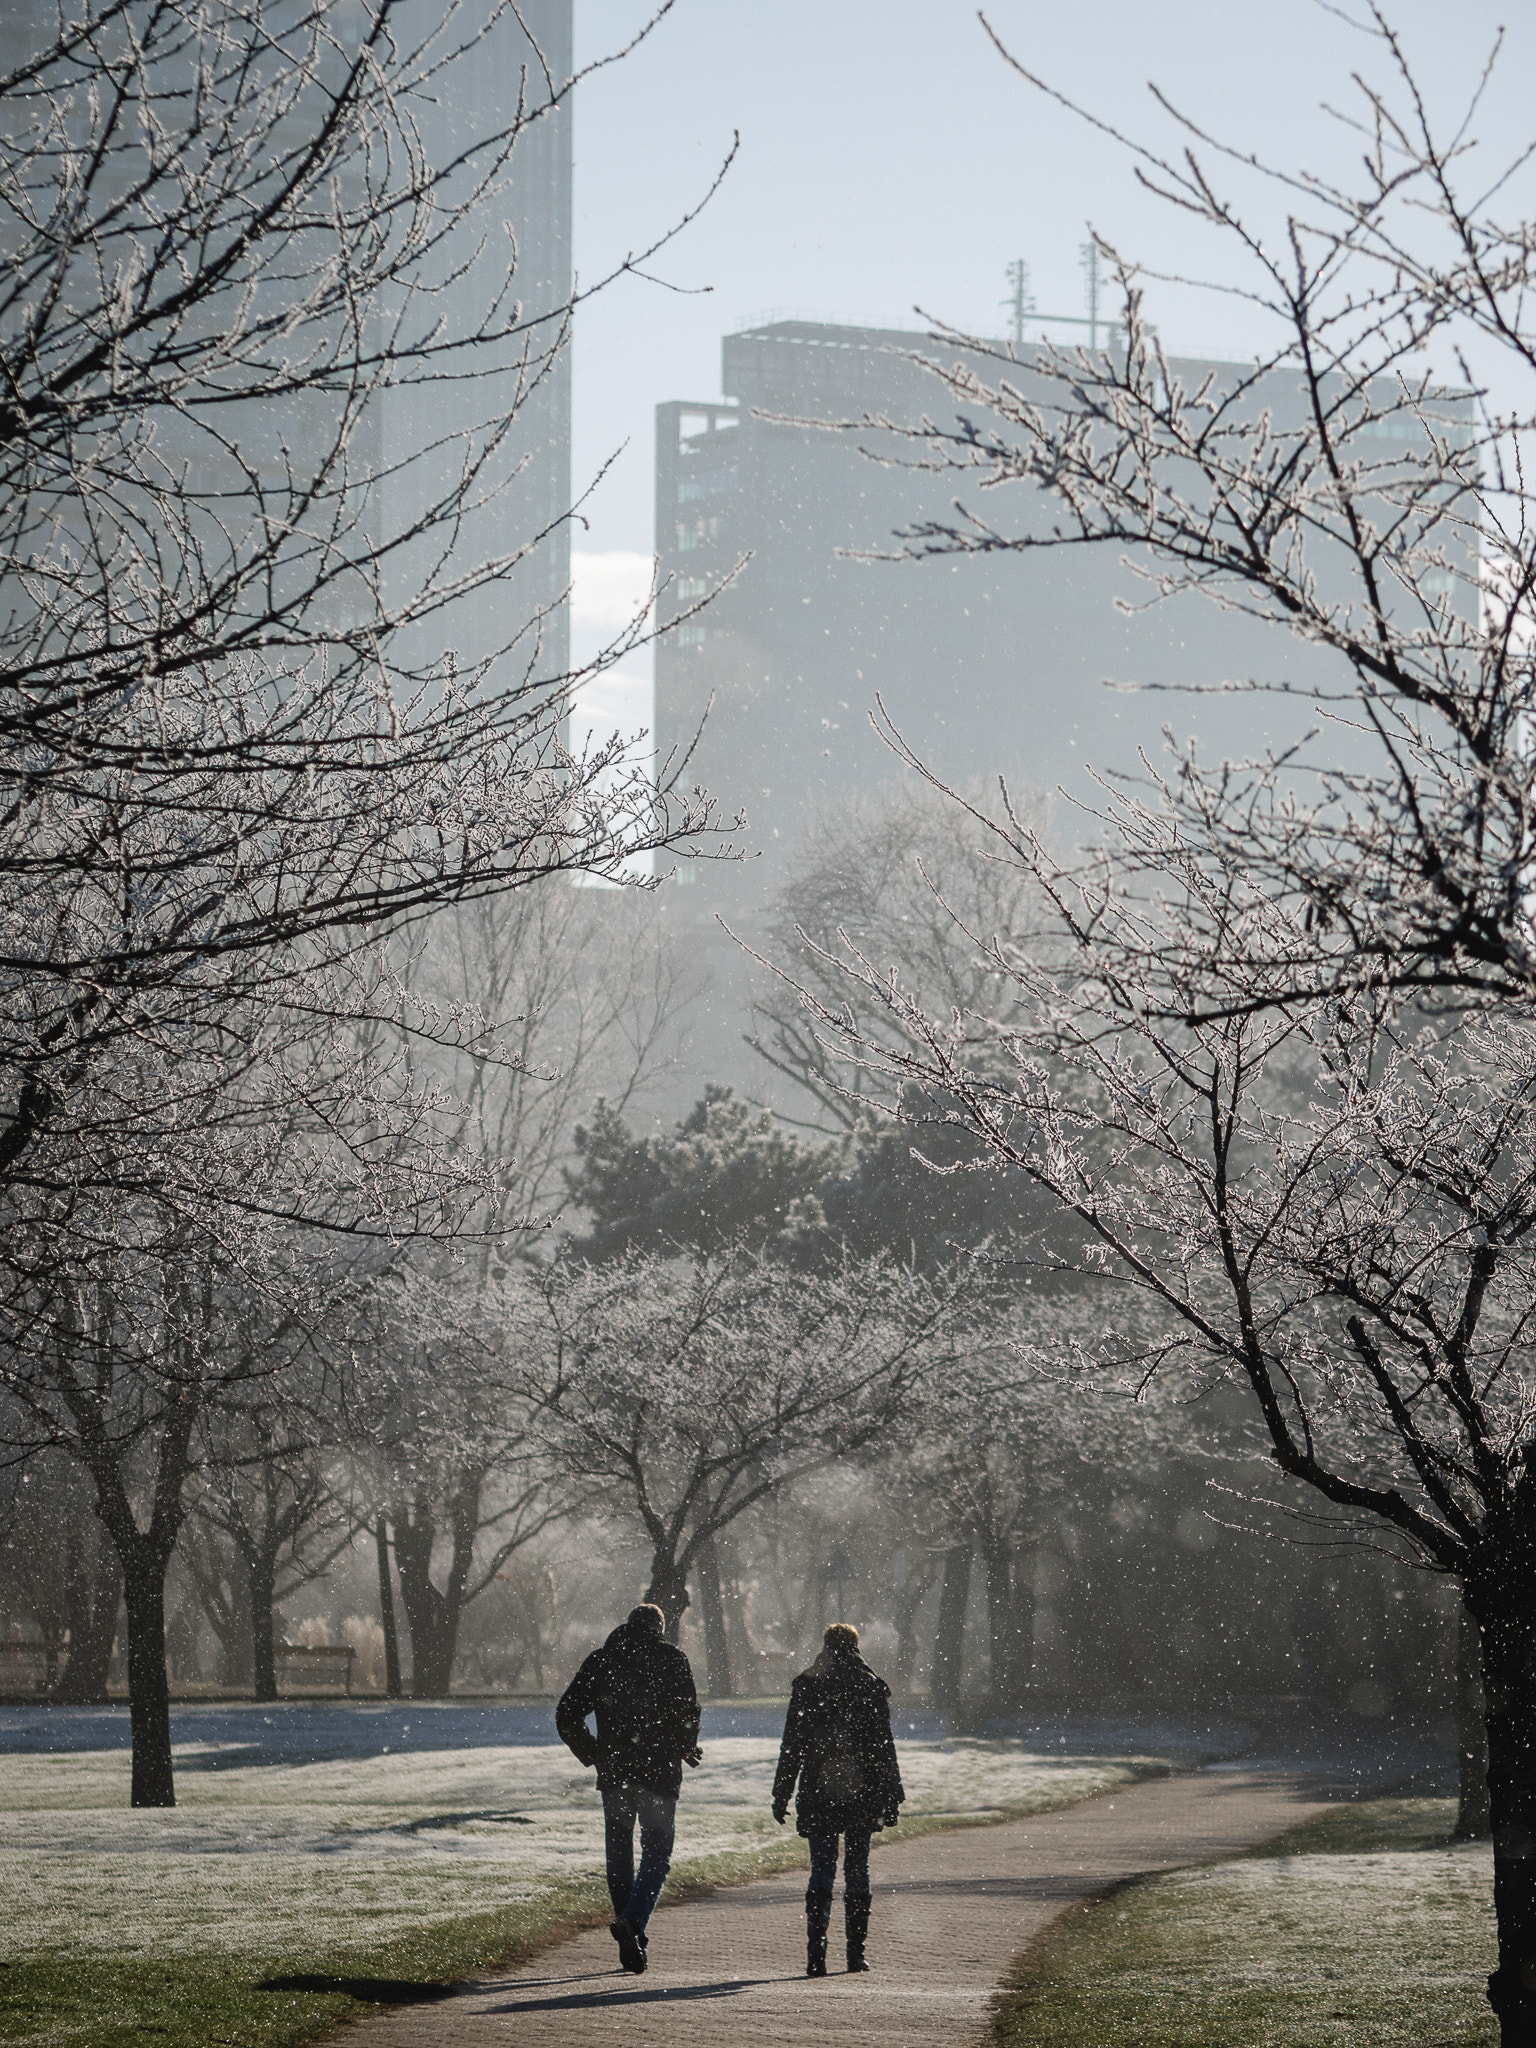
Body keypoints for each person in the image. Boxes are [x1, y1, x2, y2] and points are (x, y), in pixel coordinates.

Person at [556, 1601, 701, 1975]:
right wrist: (684, 1745)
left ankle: (630, 1931)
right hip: (658, 1774)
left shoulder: (602, 1660)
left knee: (619, 1856)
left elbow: (567, 1713)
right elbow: (687, 1713)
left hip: (616, 1774)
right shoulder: (671, 1659)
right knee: (657, 1854)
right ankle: (633, 1923)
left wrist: (594, 1754)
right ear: (660, 1628)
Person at [771, 1621, 905, 1978]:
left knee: (822, 1868)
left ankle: (817, 1950)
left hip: (818, 1789)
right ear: (856, 1647)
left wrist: (781, 1792)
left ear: (826, 1646)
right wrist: (893, 1795)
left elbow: (792, 1745)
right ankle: (855, 1954)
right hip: (864, 1792)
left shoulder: (808, 1684)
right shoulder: (870, 1685)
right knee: (857, 1868)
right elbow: (883, 1747)